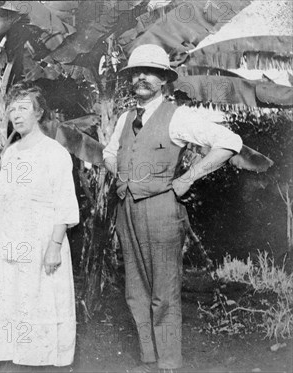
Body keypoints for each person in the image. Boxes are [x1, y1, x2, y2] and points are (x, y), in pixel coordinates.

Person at [103, 44, 243, 372]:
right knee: (135, 289)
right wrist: (118, 171)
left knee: (163, 288)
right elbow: (109, 152)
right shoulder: (125, 118)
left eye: (149, 72)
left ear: (164, 78)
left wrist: (189, 177)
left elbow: (229, 142)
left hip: (162, 209)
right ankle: (148, 359)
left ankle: (167, 363)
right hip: (127, 209)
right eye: (136, 72)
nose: (141, 77)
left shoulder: (177, 116)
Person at [0, 83, 80, 368]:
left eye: (24, 108)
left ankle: (42, 360)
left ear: (38, 113)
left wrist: (54, 246)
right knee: (13, 303)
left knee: (42, 302)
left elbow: (64, 204)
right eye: (12, 109)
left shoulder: (54, 153)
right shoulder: (10, 154)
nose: (16, 114)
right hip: (10, 242)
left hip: (42, 242)